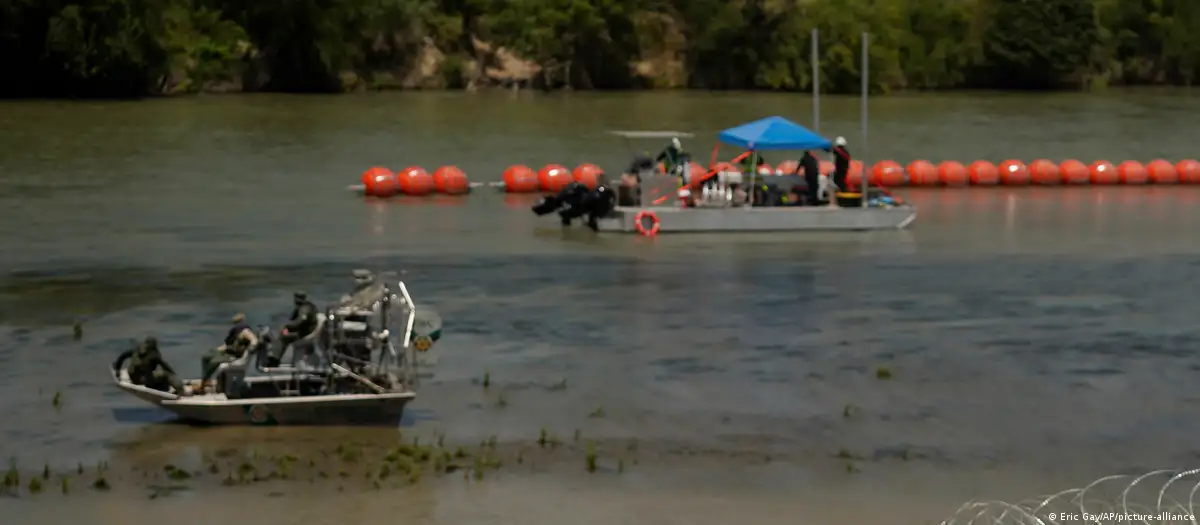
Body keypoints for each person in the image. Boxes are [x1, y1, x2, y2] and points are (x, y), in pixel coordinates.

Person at [112, 336, 188, 396]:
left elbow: (122, 356)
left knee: (159, 375)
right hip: (145, 380)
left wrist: (117, 369)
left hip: (133, 377)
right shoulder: (154, 354)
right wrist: (174, 376)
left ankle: (161, 387)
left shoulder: (137, 349)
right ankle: (181, 391)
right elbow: (165, 366)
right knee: (166, 374)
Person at [200, 313, 258, 387]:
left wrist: (250, 348)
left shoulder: (245, 331)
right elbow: (227, 344)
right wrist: (219, 349)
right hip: (227, 352)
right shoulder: (235, 331)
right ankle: (207, 380)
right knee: (206, 356)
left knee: (213, 362)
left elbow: (254, 340)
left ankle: (203, 384)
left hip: (235, 356)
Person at [265, 291, 319, 367]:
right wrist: (287, 327)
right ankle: (274, 356)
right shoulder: (302, 307)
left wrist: (287, 326)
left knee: (283, 338)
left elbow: (300, 322)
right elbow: (292, 320)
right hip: (302, 331)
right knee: (278, 333)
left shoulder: (305, 308)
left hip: (304, 333)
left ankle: (274, 360)